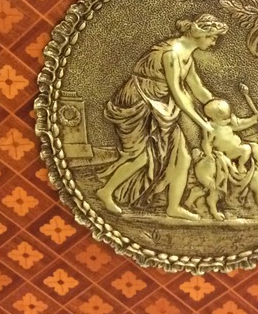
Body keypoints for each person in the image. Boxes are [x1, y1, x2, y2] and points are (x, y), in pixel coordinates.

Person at [96, 14, 228, 220]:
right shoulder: (171, 55)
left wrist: (219, 108)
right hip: (137, 104)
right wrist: (203, 123)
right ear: (200, 35)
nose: (214, 42)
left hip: (160, 107)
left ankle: (173, 207)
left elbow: (198, 89)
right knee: (143, 155)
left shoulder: (187, 57)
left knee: (182, 156)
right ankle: (105, 191)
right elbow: (178, 93)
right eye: (212, 37)